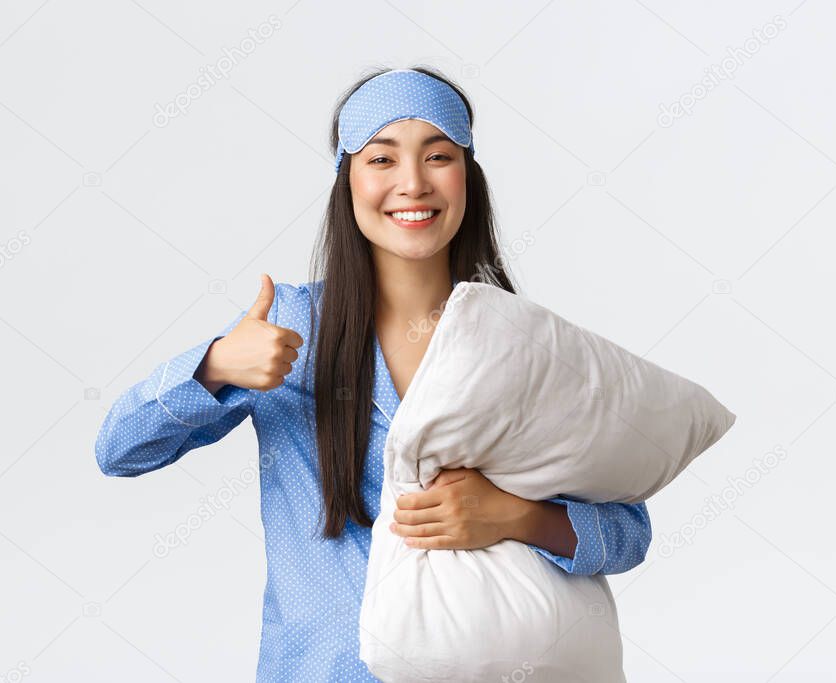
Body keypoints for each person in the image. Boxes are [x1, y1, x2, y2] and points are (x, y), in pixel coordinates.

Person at [95, 65, 651, 682]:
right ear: (347, 181)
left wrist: (516, 516)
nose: (413, 183)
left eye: (438, 156)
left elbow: (627, 533)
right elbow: (120, 450)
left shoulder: (524, 344)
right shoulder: (291, 327)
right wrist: (217, 365)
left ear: (468, 177)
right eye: (381, 160)